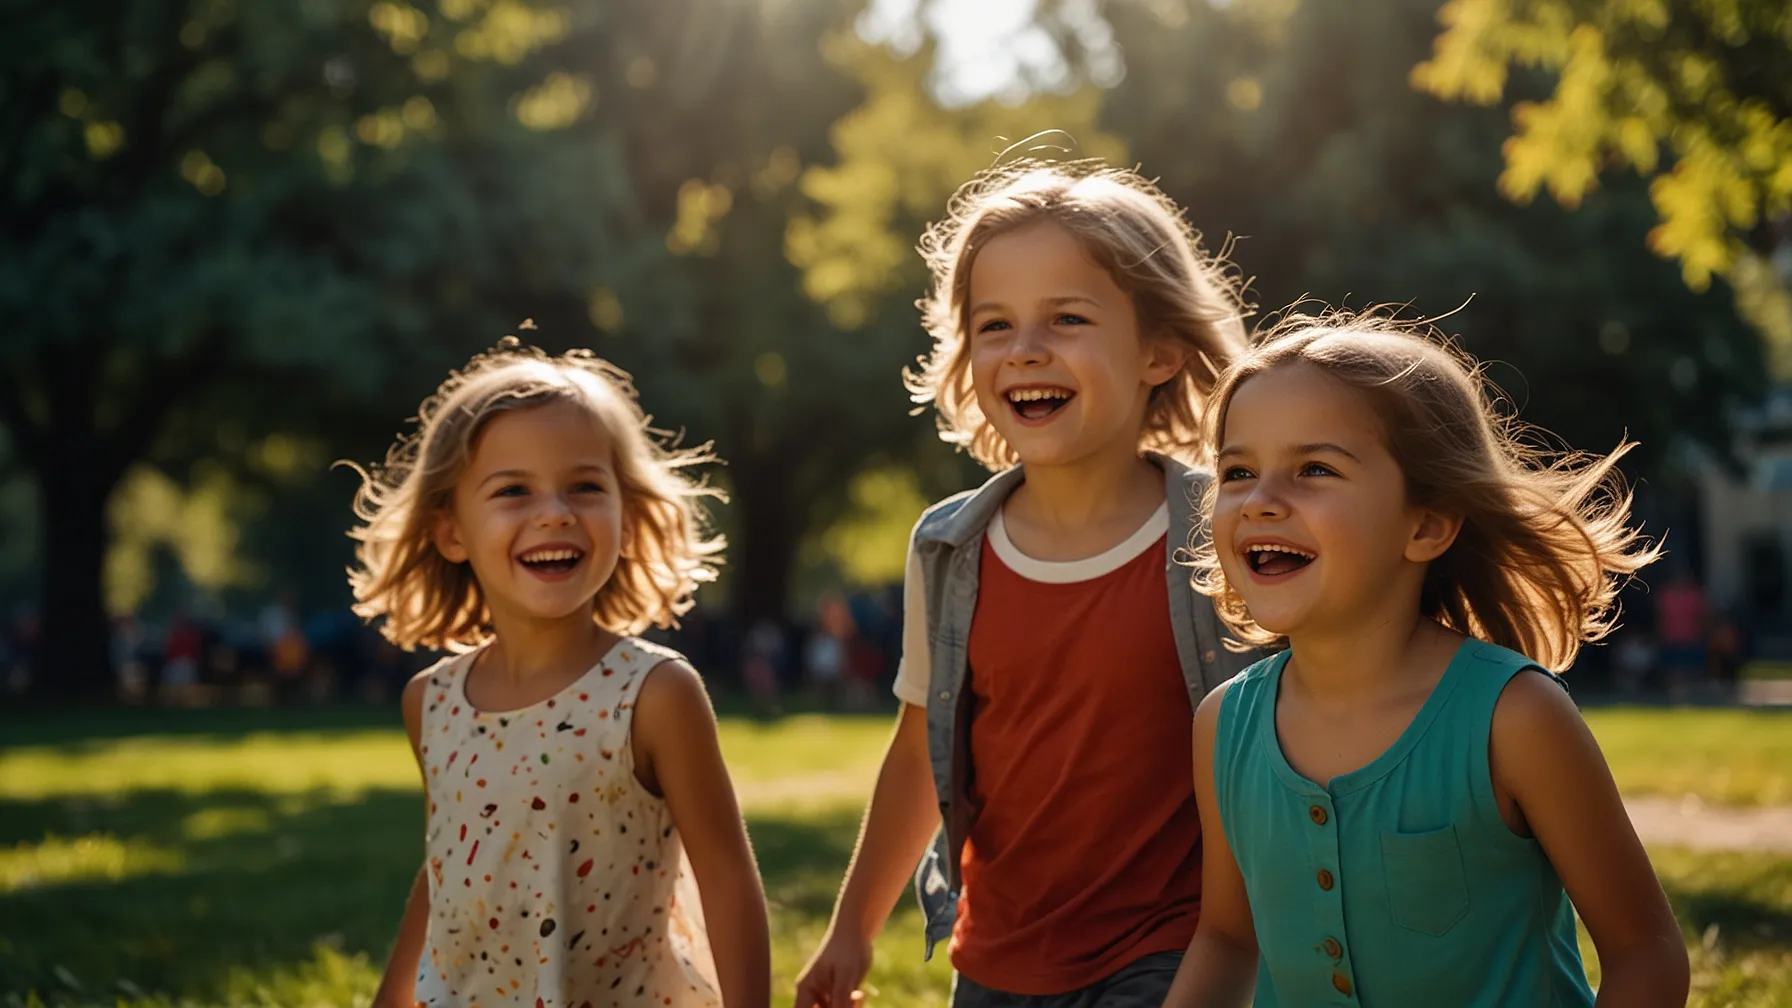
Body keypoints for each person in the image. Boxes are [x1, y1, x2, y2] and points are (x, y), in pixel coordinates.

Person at [794, 159, 1254, 1008]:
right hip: (999, 960)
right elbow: (916, 755)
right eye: (994, 325)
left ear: (1160, 350)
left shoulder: (1225, 533)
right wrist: (853, 928)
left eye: (1067, 318)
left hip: (1175, 952)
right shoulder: (949, 547)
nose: (1025, 350)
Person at [1164, 315, 1688, 1007]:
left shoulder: (1515, 719)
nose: (1260, 501)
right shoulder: (1223, 725)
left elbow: (1646, 954)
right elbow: (1229, 941)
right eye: (1237, 472)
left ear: (1427, 524)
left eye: (1314, 469)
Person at [351, 340, 770, 1008]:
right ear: (451, 530)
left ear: (627, 519)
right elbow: (445, 873)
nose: (554, 512)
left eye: (584, 487)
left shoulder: (655, 695)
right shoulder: (429, 702)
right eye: (513, 490)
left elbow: (726, 879)